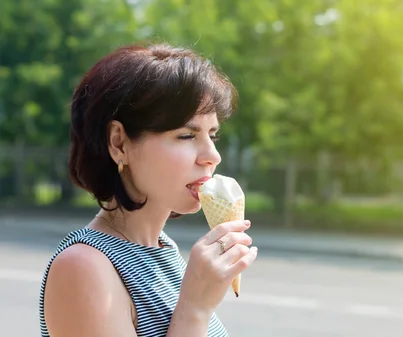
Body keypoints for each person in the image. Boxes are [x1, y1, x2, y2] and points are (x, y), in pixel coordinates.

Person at [38, 43, 258, 337]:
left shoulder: (163, 249)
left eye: (213, 136)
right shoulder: (83, 267)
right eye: (186, 135)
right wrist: (194, 308)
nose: (212, 156)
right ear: (119, 143)